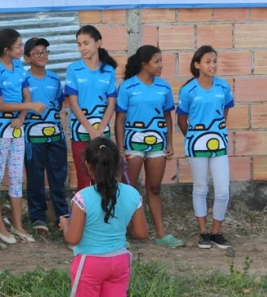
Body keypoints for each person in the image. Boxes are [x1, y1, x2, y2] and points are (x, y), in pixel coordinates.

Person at [59, 138, 148, 297]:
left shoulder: (82, 198)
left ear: (87, 165)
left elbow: (73, 238)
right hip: (120, 261)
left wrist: (65, 224)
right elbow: (141, 233)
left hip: (89, 264)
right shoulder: (133, 194)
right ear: (119, 164)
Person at [115, 45, 183, 248]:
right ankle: (120, 234)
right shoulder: (127, 87)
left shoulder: (164, 87)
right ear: (144, 64)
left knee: (154, 188)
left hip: (157, 145)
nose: (161, 65)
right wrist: (120, 148)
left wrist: (169, 142)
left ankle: (161, 234)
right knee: (128, 190)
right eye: (157, 61)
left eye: (161, 61)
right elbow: (120, 119)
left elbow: (168, 117)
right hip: (132, 146)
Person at [0, 28, 43, 244]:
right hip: (0, 127)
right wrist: (29, 106)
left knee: (17, 175)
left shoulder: (19, 65)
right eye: (19, 46)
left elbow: (26, 94)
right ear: (6, 50)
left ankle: (17, 224)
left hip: (17, 125)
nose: (22, 49)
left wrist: (22, 115)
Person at [177, 45, 234, 250]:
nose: (213, 65)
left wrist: (216, 131)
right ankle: (203, 232)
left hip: (219, 145)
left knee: (222, 191)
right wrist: (193, 137)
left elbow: (225, 111)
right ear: (197, 64)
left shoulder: (223, 87)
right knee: (200, 188)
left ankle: (217, 232)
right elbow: (181, 119)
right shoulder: (188, 90)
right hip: (196, 145)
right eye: (208, 61)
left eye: (215, 61)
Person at [22, 37, 69, 233]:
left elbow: (58, 102)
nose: (42, 56)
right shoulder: (23, 80)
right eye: (37, 53)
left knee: (58, 175)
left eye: (45, 52)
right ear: (27, 58)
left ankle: (62, 216)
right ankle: (38, 217)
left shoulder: (54, 78)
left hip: (55, 134)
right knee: (35, 175)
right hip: (33, 136)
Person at [65, 25, 118, 191]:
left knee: (102, 178)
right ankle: (82, 216)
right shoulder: (73, 69)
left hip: (102, 135)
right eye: (79, 44)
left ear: (98, 43)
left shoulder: (108, 70)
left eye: (86, 43)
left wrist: (100, 129)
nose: (82, 48)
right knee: (84, 179)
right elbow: (73, 103)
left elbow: (111, 103)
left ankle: (103, 215)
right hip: (80, 133)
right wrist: (90, 130)